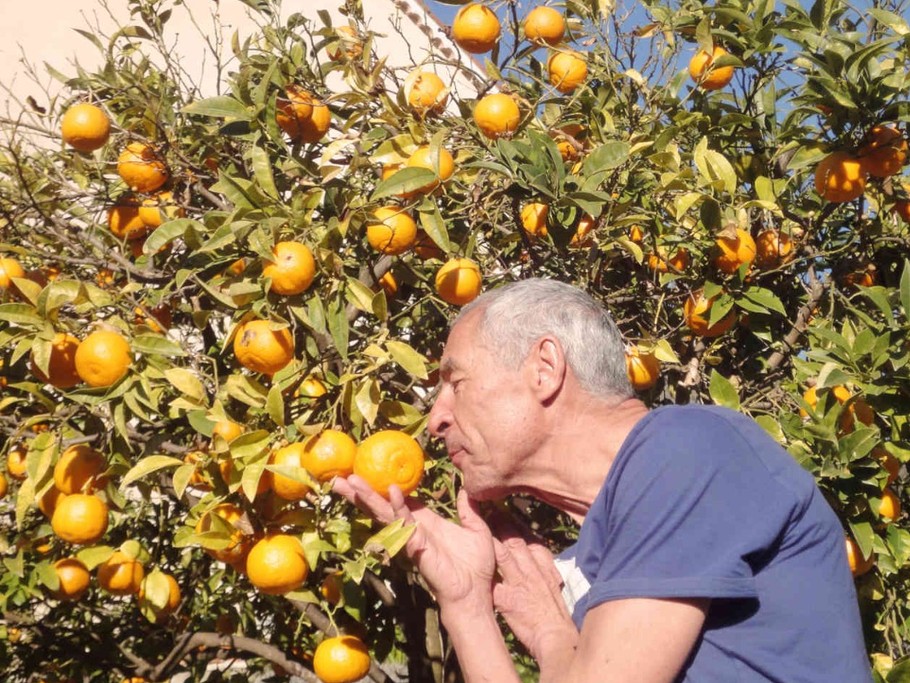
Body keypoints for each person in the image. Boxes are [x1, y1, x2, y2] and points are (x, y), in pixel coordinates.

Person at [334, 278, 871, 683]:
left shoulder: (686, 448)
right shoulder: (597, 557)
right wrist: (466, 602)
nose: (436, 419)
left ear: (544, 368)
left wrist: (550, 633)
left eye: (456, 382)